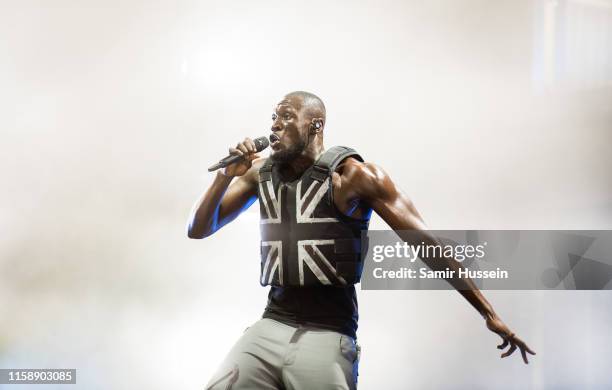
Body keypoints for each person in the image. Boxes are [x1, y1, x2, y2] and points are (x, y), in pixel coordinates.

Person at [187, 91, 535, 389]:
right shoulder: (258, 173)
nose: (275, 125)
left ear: (315, 125)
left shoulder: (355, 176)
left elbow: (427, 244)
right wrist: (222, 178)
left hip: (327, 334)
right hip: (271, 323)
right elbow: (199, 228)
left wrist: (487, 312)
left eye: (287, 117)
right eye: (273, 118)